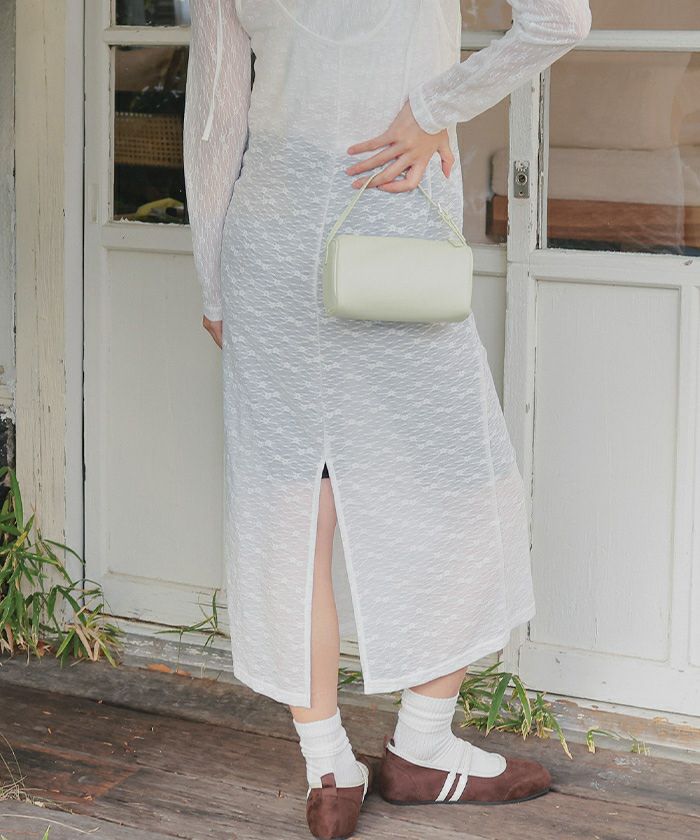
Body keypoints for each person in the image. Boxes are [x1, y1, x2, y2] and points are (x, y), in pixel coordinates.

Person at [183, 1, 592, 837]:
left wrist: (214, 282)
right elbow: (561, 16)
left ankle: (330, 768)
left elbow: (215, 121)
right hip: (388, 220)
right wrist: (432, 108)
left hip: (273, 237)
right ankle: (421, 746)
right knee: (461, 491)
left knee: (296, 508)